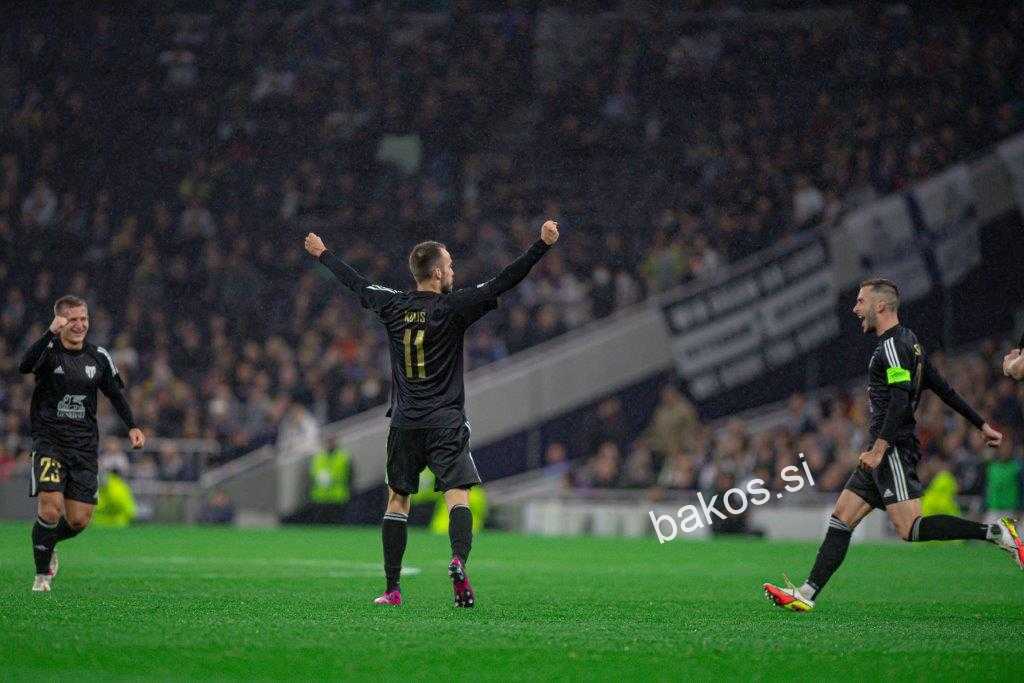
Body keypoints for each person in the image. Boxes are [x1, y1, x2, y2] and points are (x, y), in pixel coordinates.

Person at [303, 219, 559, 607]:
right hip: (446, 421)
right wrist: (541, 245)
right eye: (450, 266)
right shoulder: (453, 307)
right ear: (437, 272)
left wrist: (323, 254)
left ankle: (392, 589)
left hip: (405, 422)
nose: (453, 271)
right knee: (458, 497)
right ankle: (457, 559)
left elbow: (356, 282)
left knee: (397, 501)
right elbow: (503, 282)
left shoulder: (393, 304)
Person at [763, 279, 1021, 612]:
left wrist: (879, 450)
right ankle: (807, 593)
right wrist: (981, 425)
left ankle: (997, 533)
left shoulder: (892, 347)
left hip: (892, 450)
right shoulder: (910, 343)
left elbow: (899, 402)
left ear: (881, 306)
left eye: (861, 302)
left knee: (910, 528)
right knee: (841, 517)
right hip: (882, 450)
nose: (855, 308)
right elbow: (943, 388)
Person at [20, 295, 145, 592]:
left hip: (84, 448)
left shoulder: (99, 356)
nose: (80, 325)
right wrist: (49, 333)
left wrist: (132, 426)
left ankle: (47, 541)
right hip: (49, 443)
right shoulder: (49, 351)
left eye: (84, 319)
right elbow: (25, 366)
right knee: (51, 509)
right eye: (72, 319)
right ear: (60, 321)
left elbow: (115, 394)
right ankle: (42, 576)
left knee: (78, 520)